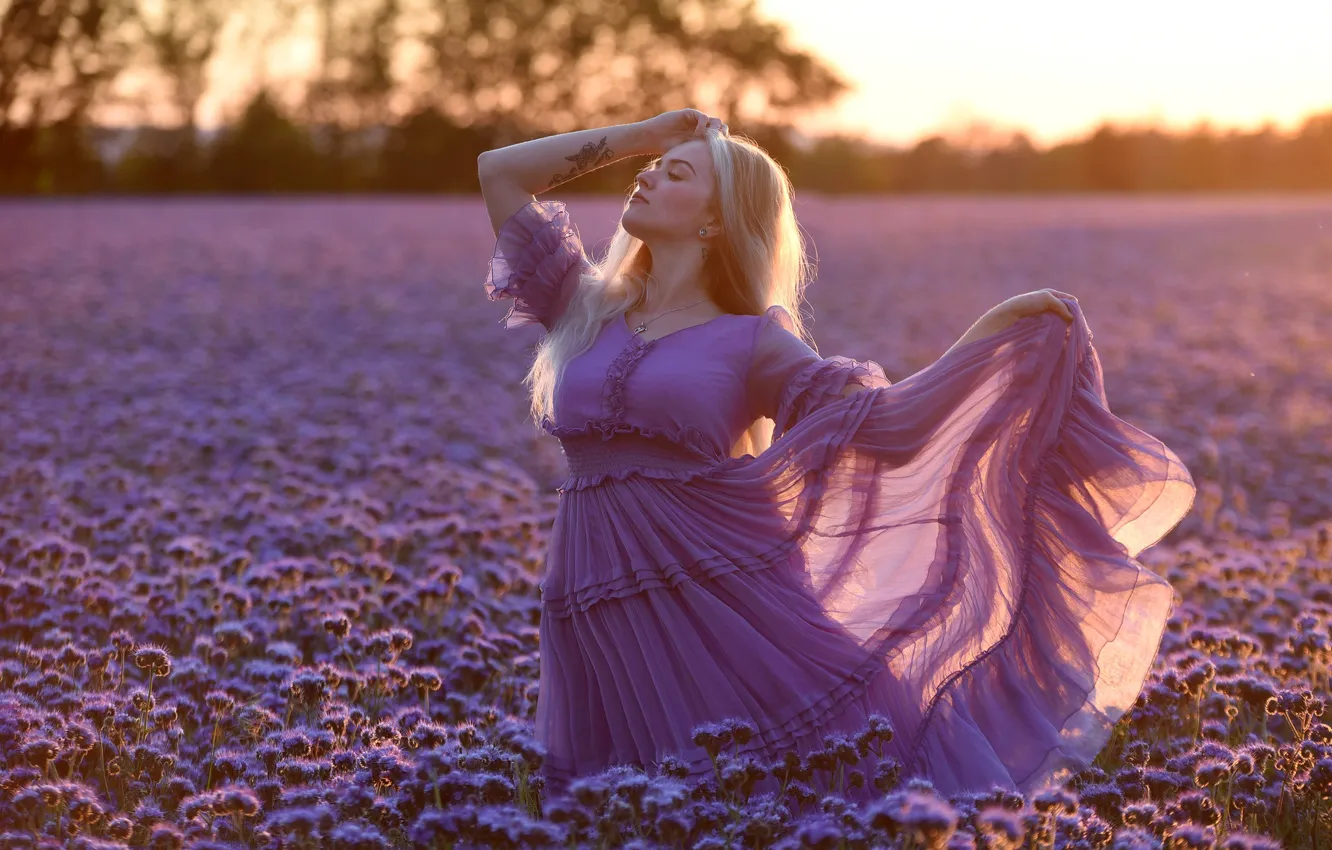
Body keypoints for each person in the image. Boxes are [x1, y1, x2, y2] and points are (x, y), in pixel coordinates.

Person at [476, 110, 1196, 802]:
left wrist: (993, 333)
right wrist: (646, 134)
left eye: (676, 173)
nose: (649, 176)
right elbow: (500, 172)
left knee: (782, 793)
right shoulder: (582, 306)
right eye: (652, 169)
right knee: (633, 805)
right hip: (590, 598)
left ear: (715, 220)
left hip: (720, 601)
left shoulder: (752, 339)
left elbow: (885, 428)